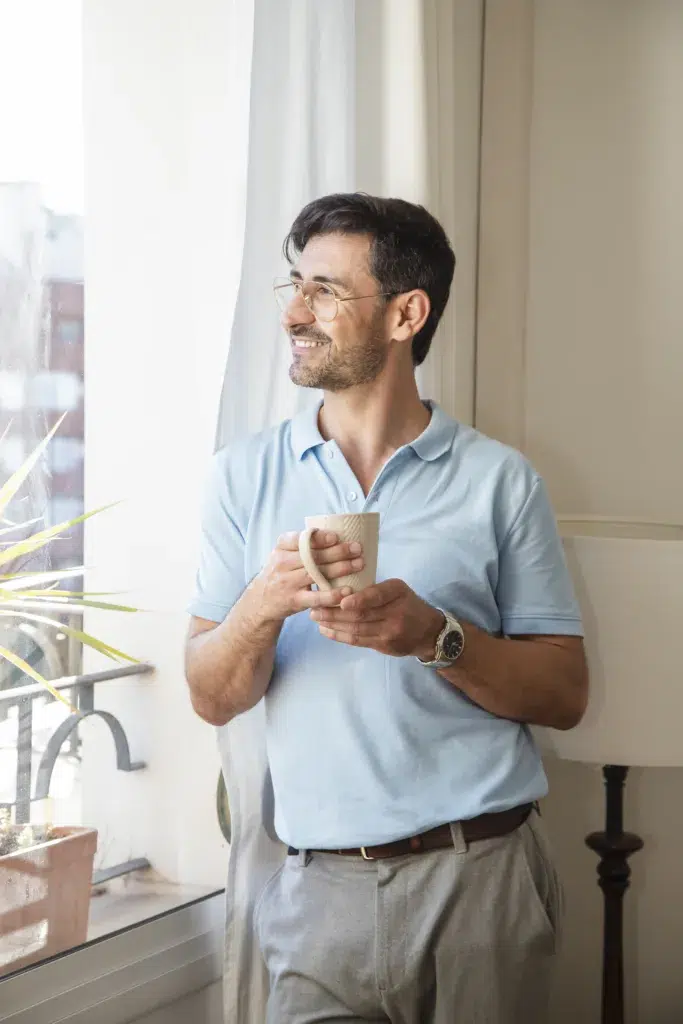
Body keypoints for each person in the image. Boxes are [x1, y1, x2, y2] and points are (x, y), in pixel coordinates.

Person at [185, 193, 588, 1024]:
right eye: (295, 285)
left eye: (326, 291)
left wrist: (434, 638)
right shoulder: (243, 475)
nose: (295, 312)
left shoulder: (500, 481)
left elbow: (563, 695)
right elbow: (211, 696)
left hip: (479, 880)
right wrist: (262, 606)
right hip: (315, 895)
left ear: (406, 314)